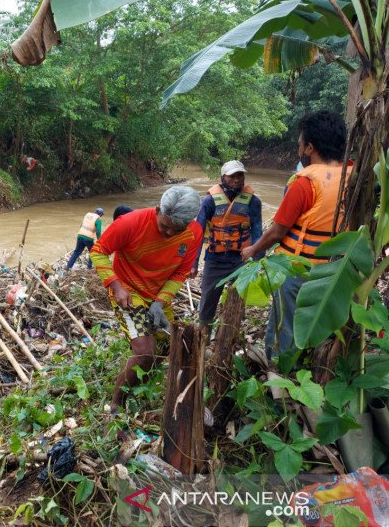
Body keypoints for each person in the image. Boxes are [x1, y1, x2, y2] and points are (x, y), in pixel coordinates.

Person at [241, 111, 349, 358]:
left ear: (310, 148)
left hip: (299, 269)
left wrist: (253, 249)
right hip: (337, 269)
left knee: (284, 326)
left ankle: (277, 373)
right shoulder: (354, 175)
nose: (299, 150)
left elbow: (278, 231)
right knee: (325, 323)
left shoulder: (303, 183)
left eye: (300, 145)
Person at [90, 186, 203, 410]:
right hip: (128, 292)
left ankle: (141, 386)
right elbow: (98, 251)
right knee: (144, 351)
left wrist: (160, 302)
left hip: (159, 294)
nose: (169, 234)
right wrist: (116, 286)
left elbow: (181, 272)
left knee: (167, 347)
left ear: (189, 223)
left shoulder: (195, 233)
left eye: (176, 230)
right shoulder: (131, 223)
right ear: (159, 210)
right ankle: (115, 405)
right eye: (165, 226)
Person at [190, 160, 263, 326]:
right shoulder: (209, 202)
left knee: (237, 302)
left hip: (241, 259)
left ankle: (231, 333)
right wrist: (193, 263)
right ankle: (204, 335)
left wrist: (259, 258)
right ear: (223, 178)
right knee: (208, 302)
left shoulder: (253, 202)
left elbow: (257, 231)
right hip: (215, 260)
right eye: (232, 176)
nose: (237, 180)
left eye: (240, 175)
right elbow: (198, 232)